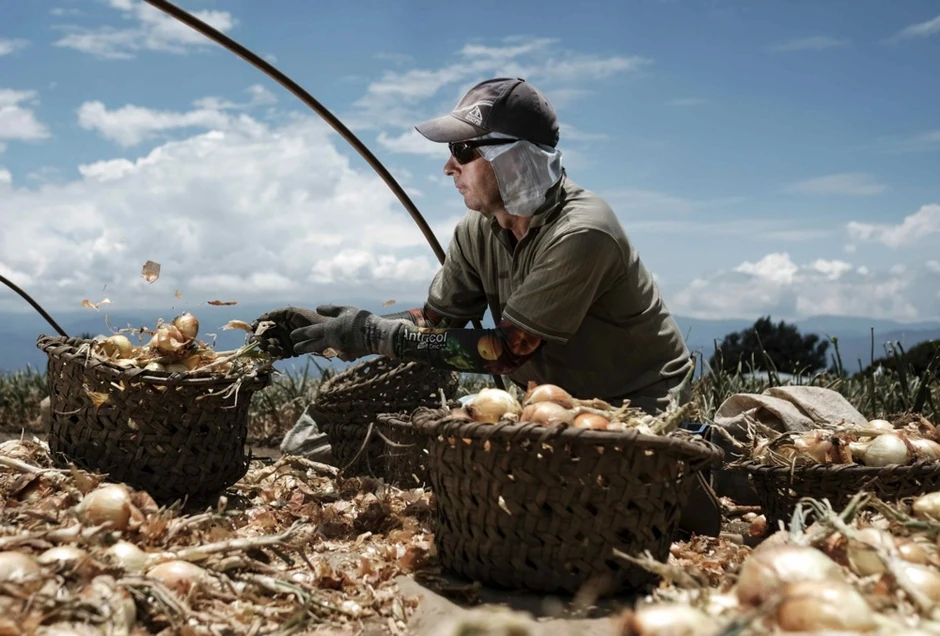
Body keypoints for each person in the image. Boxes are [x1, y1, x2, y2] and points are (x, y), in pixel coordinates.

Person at [252, 77, 720, 535]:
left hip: (631, 406)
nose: (448, 168)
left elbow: (507, 350)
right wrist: (339, 327)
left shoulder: (583, 232)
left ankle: (709, 470)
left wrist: (374, 335)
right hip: (543, 407)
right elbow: (433, 323)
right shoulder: (478, 230)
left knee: (574, 512)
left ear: (512, 160)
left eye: (462, 151)